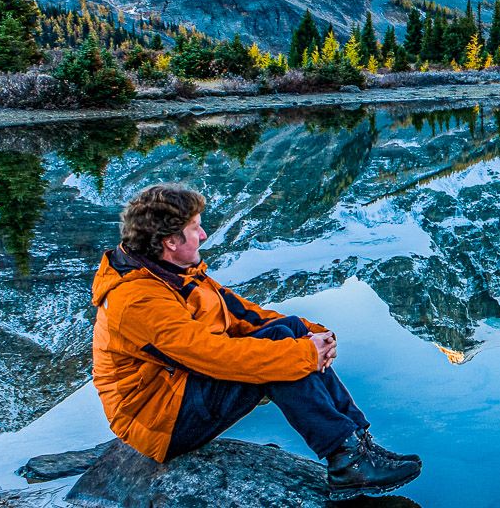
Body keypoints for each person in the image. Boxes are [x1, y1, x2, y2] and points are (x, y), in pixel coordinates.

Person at [89, 183, 420, 500]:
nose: (203, 235)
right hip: (158, 418)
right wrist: (304, 355)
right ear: (171, 241)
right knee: (279, 360)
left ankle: (357, 442)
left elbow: (245, 316)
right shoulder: (137, 300)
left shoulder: (171, 273)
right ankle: (347, 460)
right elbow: (215, 356)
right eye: (195, 228)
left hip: (178, 389)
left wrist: (314, 333)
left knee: (287, 331)